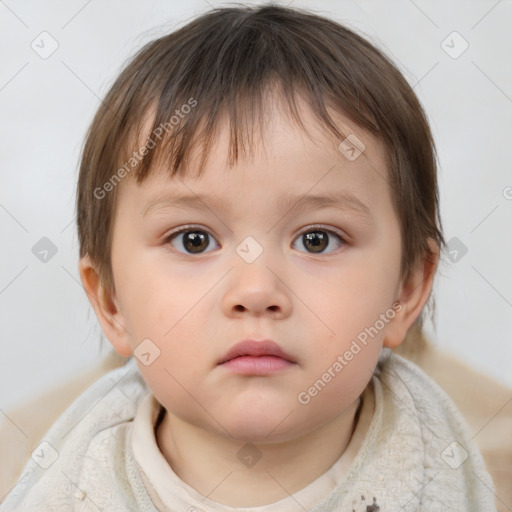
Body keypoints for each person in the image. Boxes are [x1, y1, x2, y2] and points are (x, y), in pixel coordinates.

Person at [1, 4, 498, 511]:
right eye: (193, 240)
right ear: (111, 301)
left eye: (317, 240)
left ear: (407, 289)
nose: (256, 291)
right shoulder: (60, 486)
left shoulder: (451, 481)